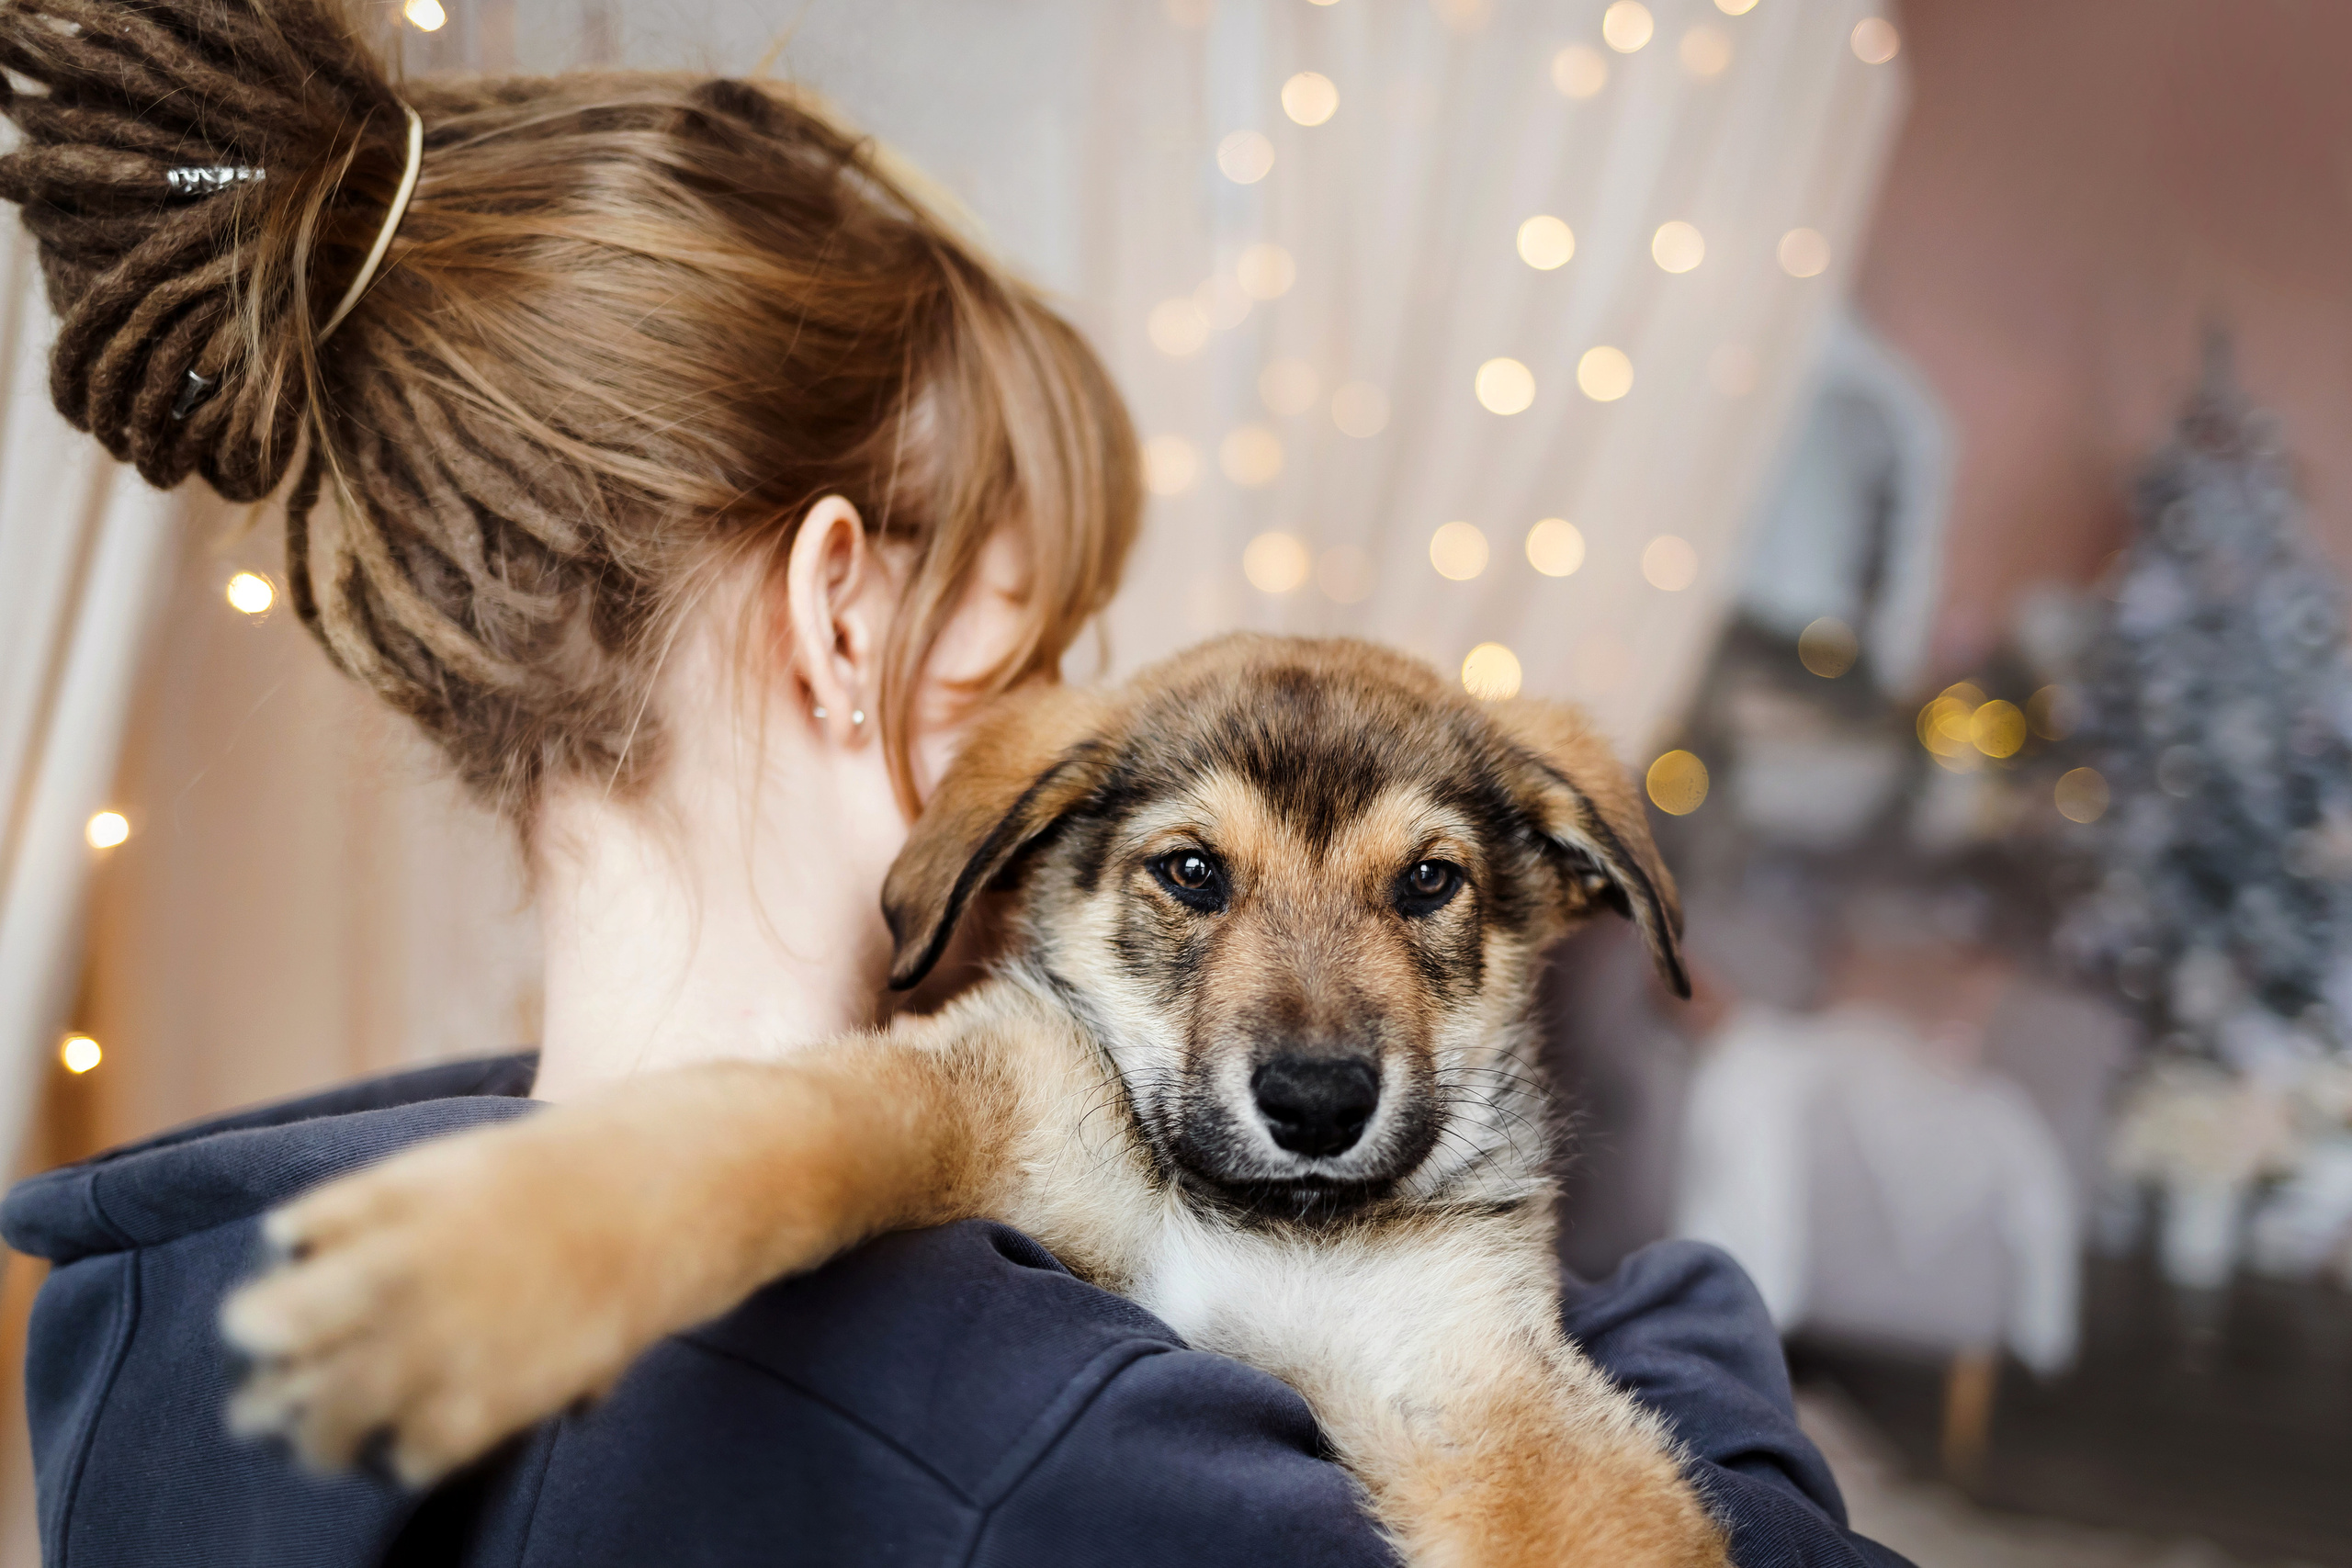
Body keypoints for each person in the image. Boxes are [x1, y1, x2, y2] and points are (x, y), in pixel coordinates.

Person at [0, 0, 1913, 1562]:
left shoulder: (154, 1303)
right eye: (1040, 640)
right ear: (839, 619)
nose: (1062, 733)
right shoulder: (1057, 1458)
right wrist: (1699, 1346)